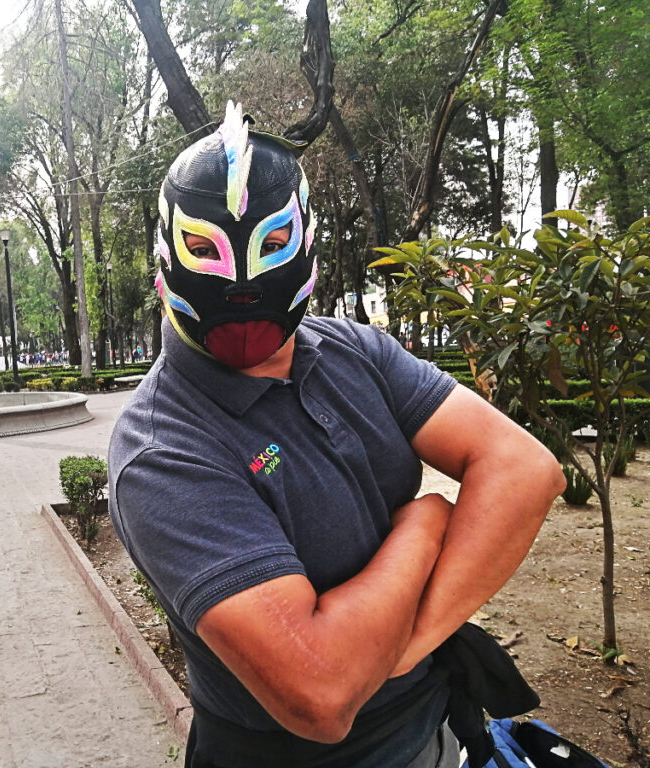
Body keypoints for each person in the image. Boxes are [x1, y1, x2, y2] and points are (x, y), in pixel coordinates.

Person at [108, 102, 565, 768]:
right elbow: (321, 694)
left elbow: (526, 469)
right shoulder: (164, 450)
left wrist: (406, 648)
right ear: (167, 253)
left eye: (269, 244)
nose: (240, 281)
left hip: (437, 723)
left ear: (304, 238)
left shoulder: (352, 349)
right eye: (205, 250)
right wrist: (426, 523)